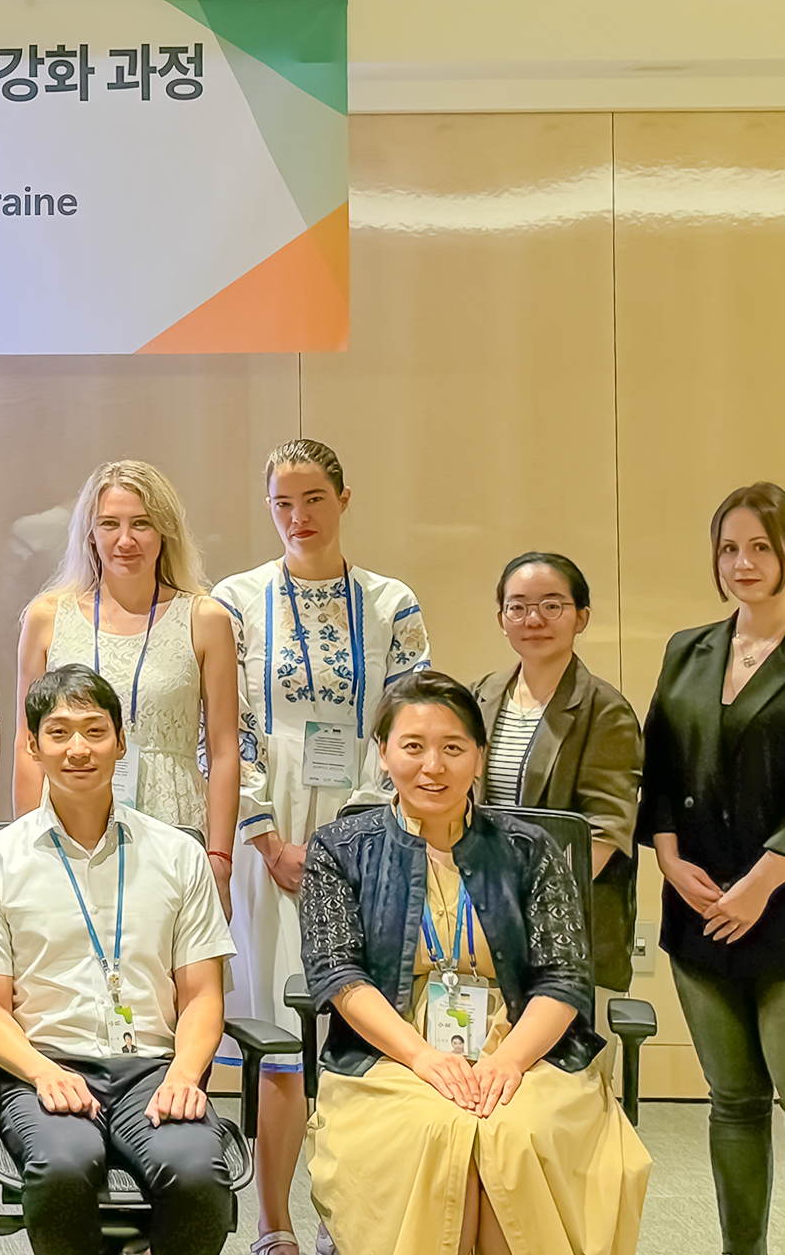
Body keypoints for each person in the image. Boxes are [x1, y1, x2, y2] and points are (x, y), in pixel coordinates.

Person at [302, 671, 648, 1254]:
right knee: (443, 1134)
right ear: (382, 753)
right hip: (391, 1052)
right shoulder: (340, 848)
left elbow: (564, 977)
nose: (432, 766)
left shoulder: (528, 847)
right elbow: (339, 974)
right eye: (413, 746)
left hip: (526, 1048)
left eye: (453, 748)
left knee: (510, 1137)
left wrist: (508, 1061)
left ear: (480, 756)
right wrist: (423, 1057)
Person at [211, 439, 430, 1255]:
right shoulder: (235, 600)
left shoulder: (391, 602)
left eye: (312, 498)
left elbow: (411, 725)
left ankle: (351, 1218)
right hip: (266, 835)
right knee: (280, 1031)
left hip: (370, 832)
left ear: (343, 498)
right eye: (282, 502)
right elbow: (224, 728)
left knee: (360, 1028)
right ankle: (274, 1223)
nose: (298, 516)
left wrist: (348, 839)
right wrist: (267, 835)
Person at [0, 665, 235, 1255]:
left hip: (153, 1071)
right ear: (33, 747)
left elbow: (203, 994)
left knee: (196, 1173)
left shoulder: (179, 855)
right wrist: (41, 1073)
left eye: (94, 730)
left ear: (121, 741)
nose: (78, 749)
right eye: (58, 733)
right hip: (47, 1066)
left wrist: (185, 1075)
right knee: (62, 1168)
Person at [642, 481, 785, 1255]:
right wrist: (667, 854)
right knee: (733, 1099)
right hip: (699, 907)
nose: (742, 562)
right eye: (729, 548)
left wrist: (767, 876)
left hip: (780, 905)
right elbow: (660, 765)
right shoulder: (688, 648)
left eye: (760, 545)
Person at [13, 461, 244, 909]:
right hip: (68, 818)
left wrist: (220, 858)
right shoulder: (47, 616)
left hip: (174, 819)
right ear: (89, 533)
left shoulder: (205, 618)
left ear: (165, 532)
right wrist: (26, 846)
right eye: (109, 524)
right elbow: (28, 744)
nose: (125, 540)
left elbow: (223, 750)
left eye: (141, 524)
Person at [470, 552, 642, 999]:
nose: (534, 619)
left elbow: (604, 831)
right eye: (518, 607)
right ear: (501, 619)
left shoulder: (605, 711)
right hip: (482, 918)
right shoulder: (480, 696)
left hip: (565, 925)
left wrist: (527, 905)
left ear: (581, 617)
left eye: (552, 605)